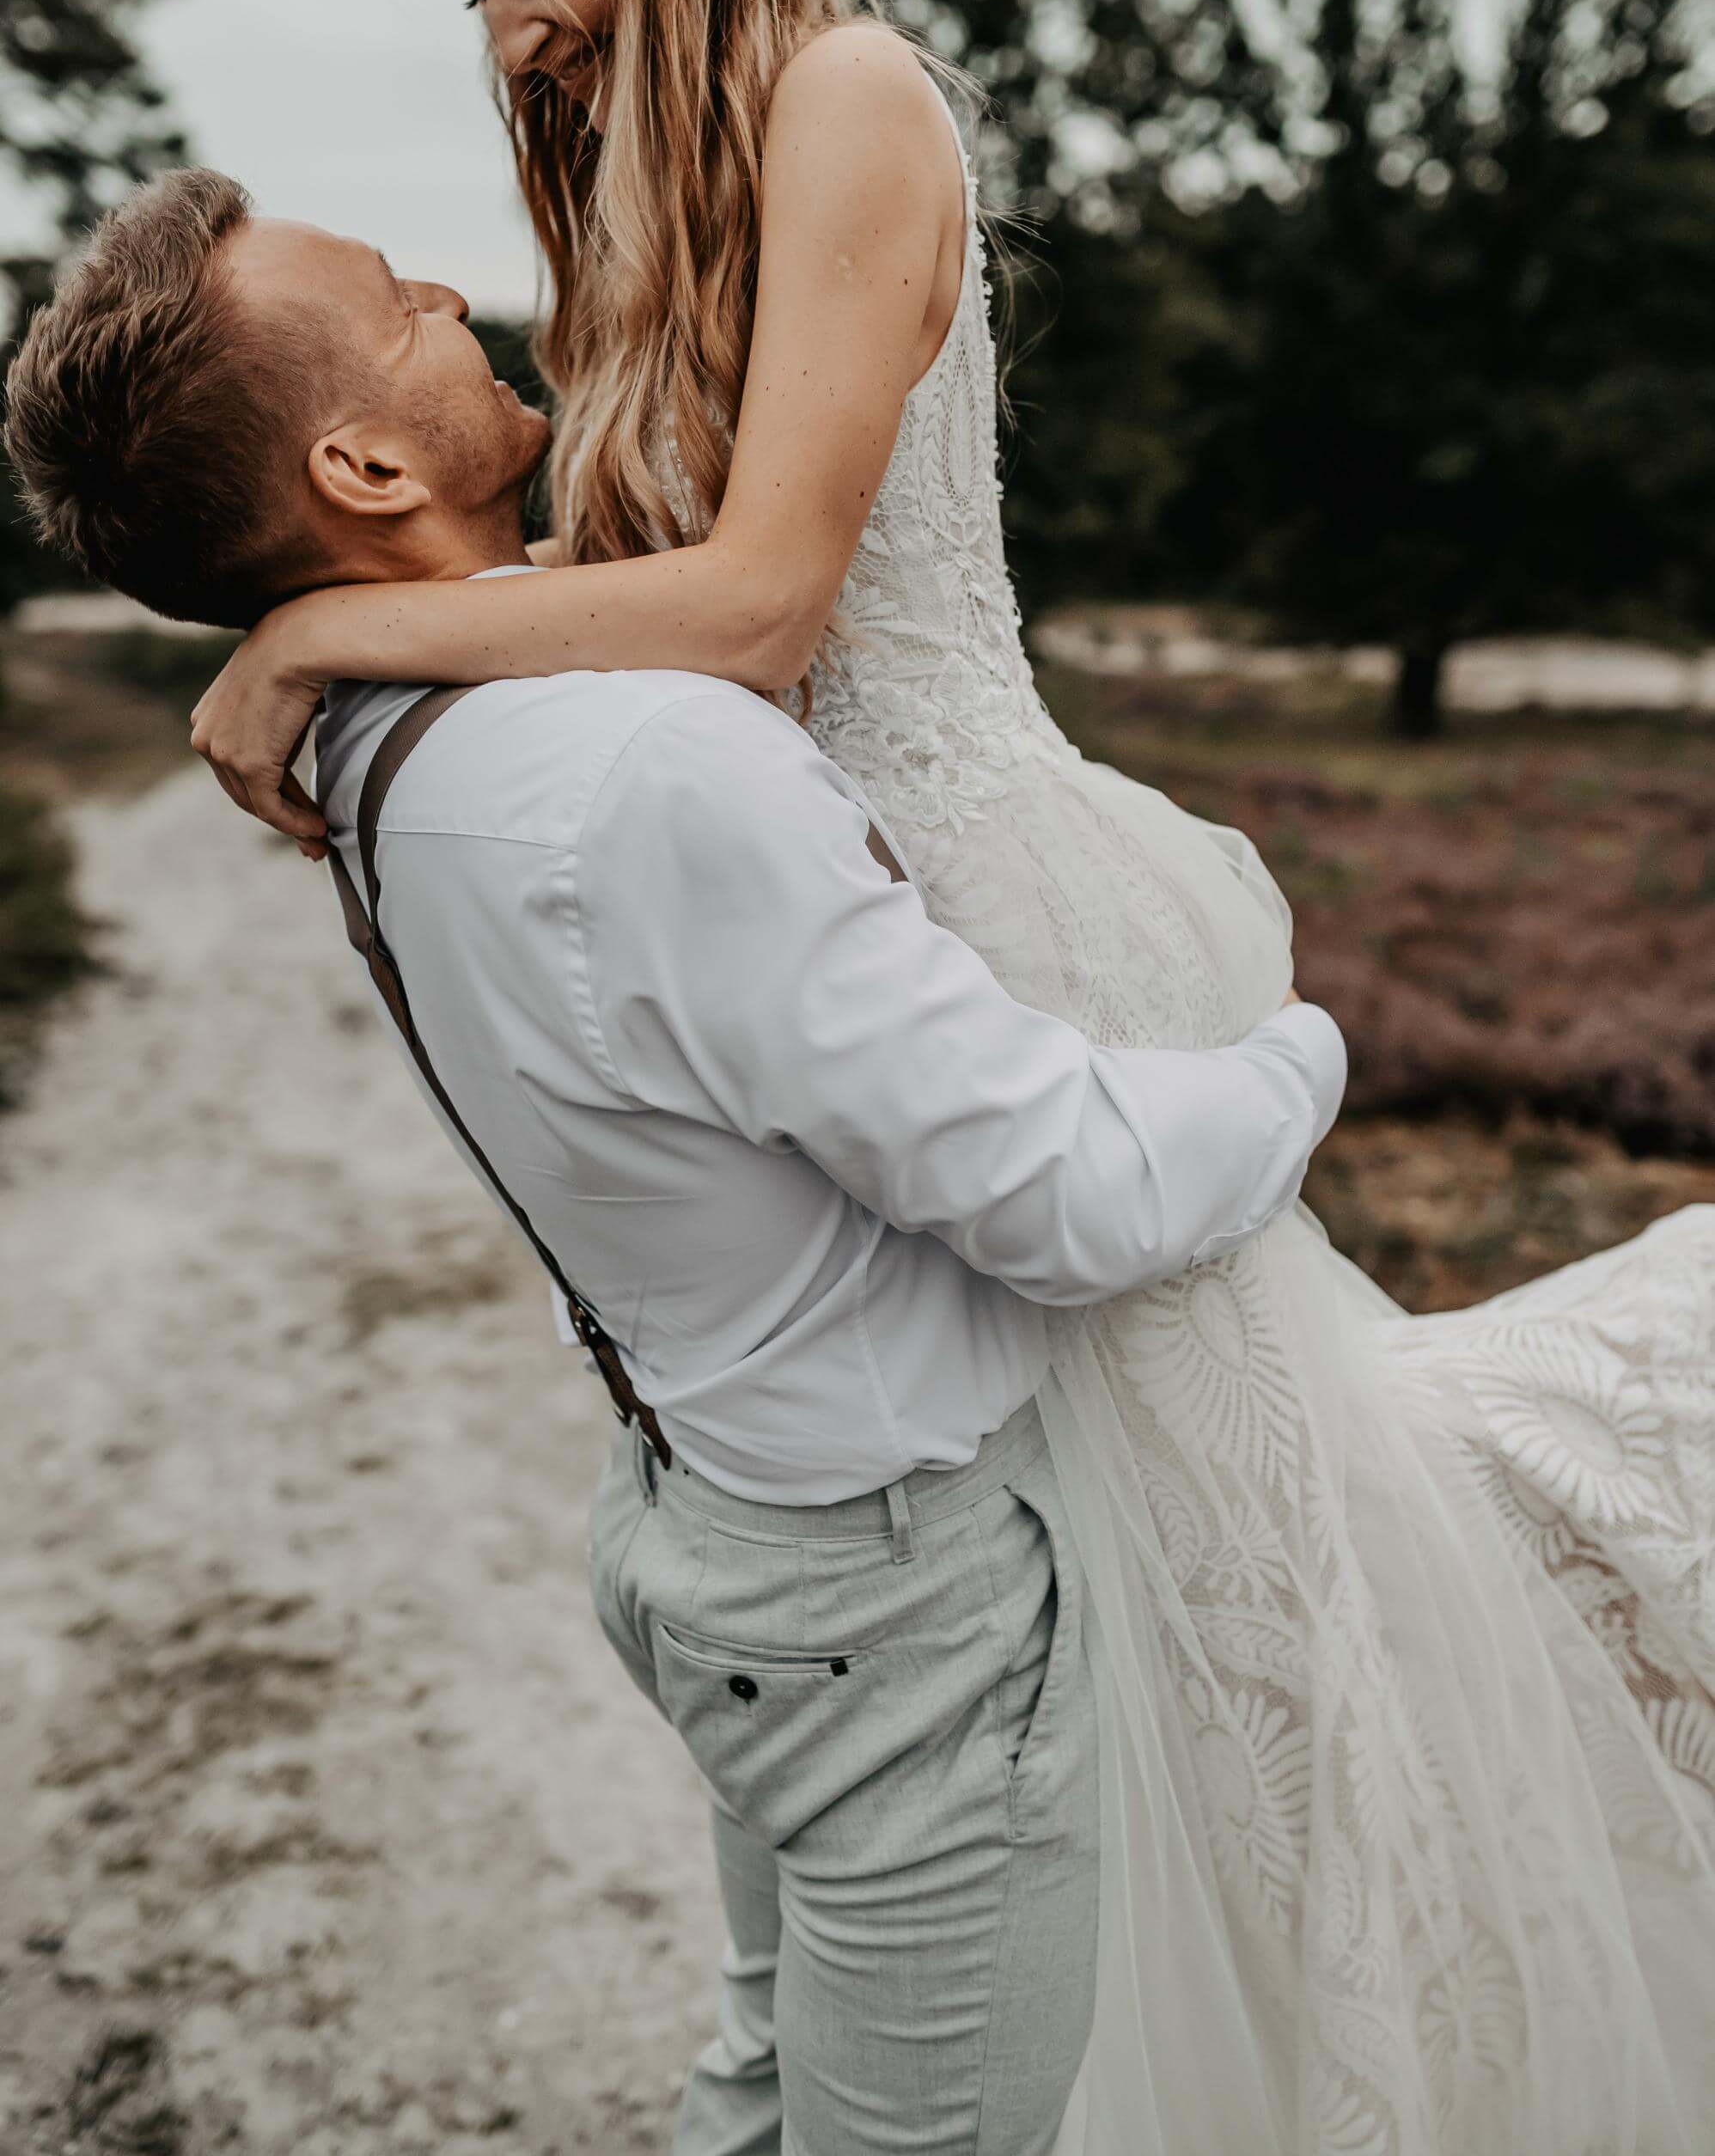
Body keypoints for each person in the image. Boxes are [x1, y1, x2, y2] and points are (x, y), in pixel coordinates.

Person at [68, 0, 1715, 2152]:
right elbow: (628, 595)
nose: (510, 27)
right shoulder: (607, 159)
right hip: (822, 903)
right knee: (1093, 1642)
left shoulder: (849, 102)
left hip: (986, 890)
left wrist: (328, 626)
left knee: (1253, 1613)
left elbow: (752, 610)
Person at [3, 165, 1350, 2156]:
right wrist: (1300, 1047)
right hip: (884, 1605)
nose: (453, 288)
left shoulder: (387, 742)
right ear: (365, 459)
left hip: (704, 1527)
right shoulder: (637, 757)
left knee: (761, 2075)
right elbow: (1079, 1198)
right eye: (393, 300)